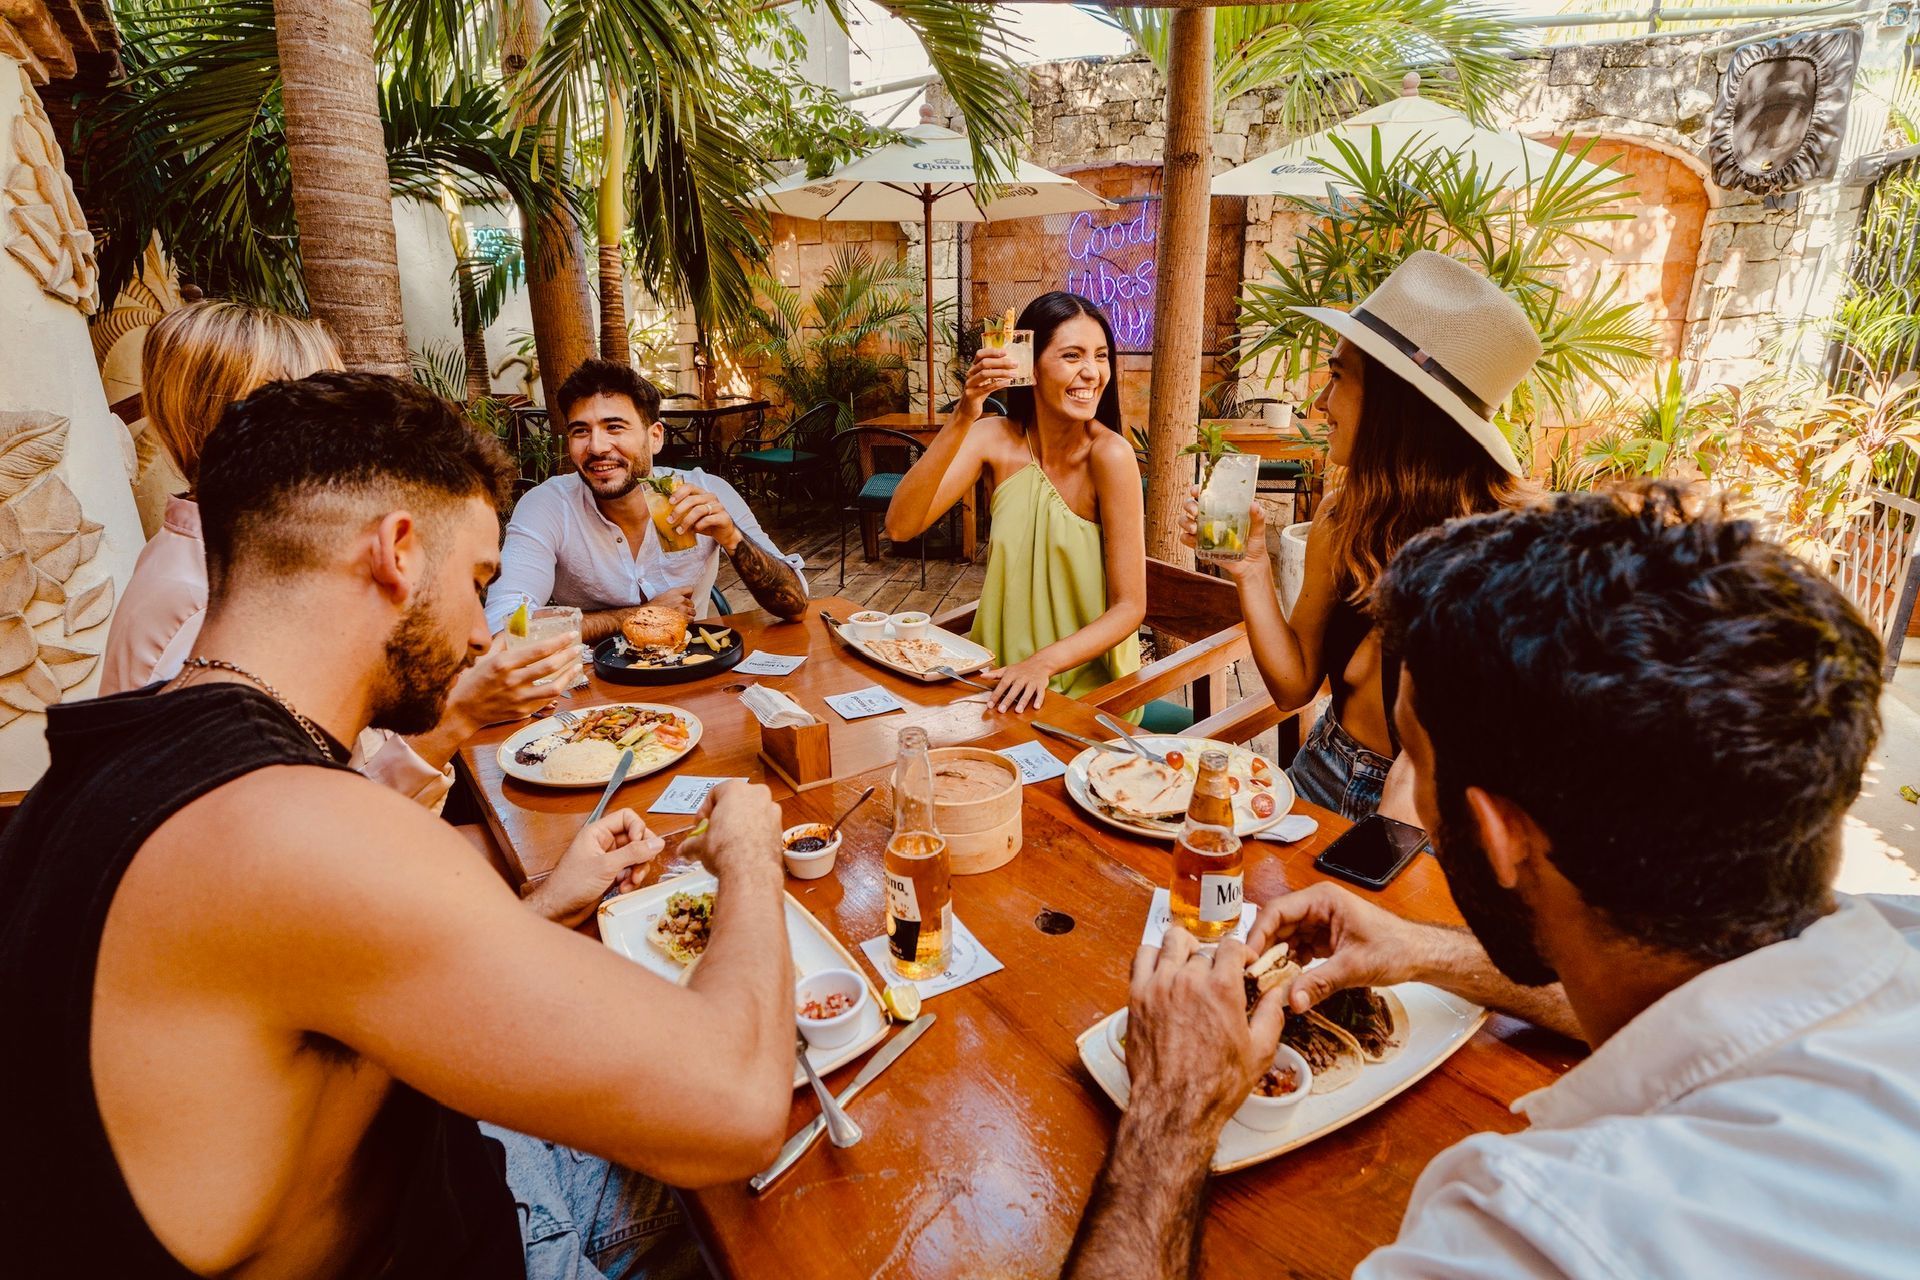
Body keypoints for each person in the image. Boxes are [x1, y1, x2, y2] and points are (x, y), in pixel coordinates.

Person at [0, 372, 798, 1279]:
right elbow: (737, 1104)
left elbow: (324, 1025)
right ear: (399, 552)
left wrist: (541, 904)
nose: (476, 635)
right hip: (481, 1234)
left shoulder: (124, 751)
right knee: (789, 1169)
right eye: (478, 580)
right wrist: (748, 852)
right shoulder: (301, 831)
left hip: (442, 1157)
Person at [1066, 483, 1920, 1279]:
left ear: (1498, 832)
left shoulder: (1528, 1235)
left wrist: (1172, 1114)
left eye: (1415, 761)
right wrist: (1421, 949)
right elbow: (1674, 987)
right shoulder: (1874, 945)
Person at [99, 300, 573, 811]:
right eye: (321, 397)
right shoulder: (203, 608)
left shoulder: (215, 557)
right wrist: (457, 716)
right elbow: (294, 843)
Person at [1184, 251, 1540, 819]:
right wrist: (1250, 567)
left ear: (1398, 406)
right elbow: (1293, 686)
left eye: (1337, 377)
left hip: (1429, 816)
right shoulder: (1343, 518)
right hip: (1321, 770)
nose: (1319, 404)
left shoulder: (1511, 556)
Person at [886, 292, 1145, 713]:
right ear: (1029, 365)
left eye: (1100, 356)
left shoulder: (1109, 456)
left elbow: (1130, 607)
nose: (1091, 373)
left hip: (1085, 696)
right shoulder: (994, 438)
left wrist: (1040, 665)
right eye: (1071, 356)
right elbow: (900, 525)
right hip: (993, 680)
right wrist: (964, 414)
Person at [486, 358, 808, 638]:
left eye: (614, 427)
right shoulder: (548, 507)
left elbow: (795, 604)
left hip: (694, 672)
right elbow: (507, 627)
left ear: (654, 437)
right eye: (580, 431)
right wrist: (636, 616)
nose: (596, 447)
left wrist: (732, 537)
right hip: (593, 693)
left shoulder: (706, 492)